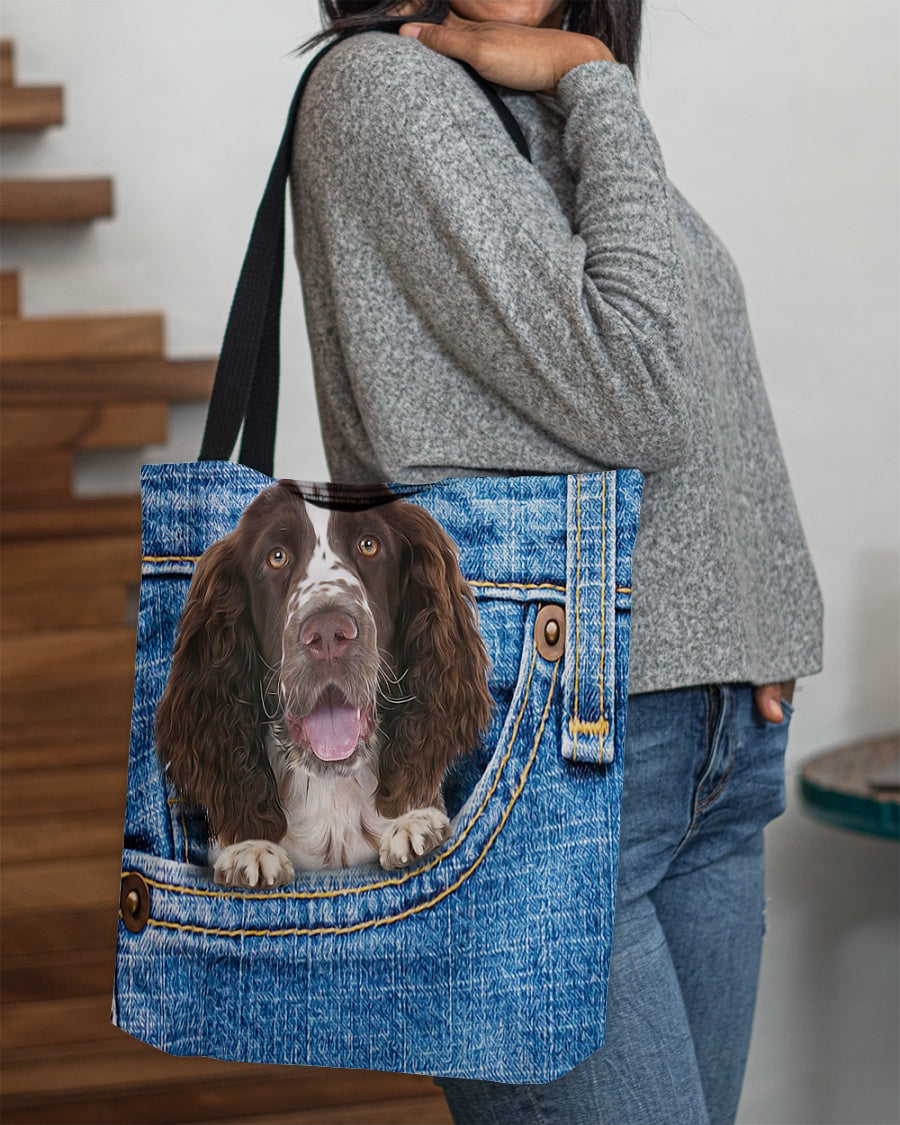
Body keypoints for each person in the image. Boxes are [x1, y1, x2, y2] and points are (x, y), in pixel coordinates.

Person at [289, 2, 824, 1122]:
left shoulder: (531, 97)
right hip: (545, 760)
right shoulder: (388, 91)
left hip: (703, 751)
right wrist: (598, 78)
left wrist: (750, 628)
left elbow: (701, 361)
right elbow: (639, 389)